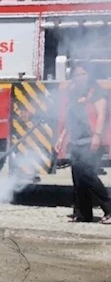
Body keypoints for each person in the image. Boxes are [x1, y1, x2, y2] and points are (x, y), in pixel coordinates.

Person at [55, 63, 111, 223]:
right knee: (78, 178)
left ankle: (109, 209)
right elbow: (69, 119)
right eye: (77, 75)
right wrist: (61, 138)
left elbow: (101, 114)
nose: (80, 77)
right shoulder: (74, 94)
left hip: (91, 140)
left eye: (83, 74)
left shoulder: (96, 92)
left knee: (89, 176)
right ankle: (83, 214)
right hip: (76, 141)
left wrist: (97, 136)